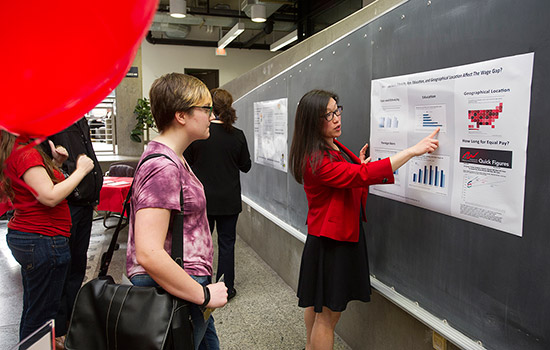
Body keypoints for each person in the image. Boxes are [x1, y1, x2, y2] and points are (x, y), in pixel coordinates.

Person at [288, 90, 440, 350]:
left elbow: (353, 175)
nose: (337, 118)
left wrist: (356, 166)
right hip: (332, 242)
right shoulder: (317, 159)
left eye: (337, 110)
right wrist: (413, 151)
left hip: (328, 236)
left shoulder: (327, 146)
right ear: (313, 121)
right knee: (328, 316)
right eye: (329, 114)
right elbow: (363, 174)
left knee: (318, 305)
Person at [126, 73, 228, 350]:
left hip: (185, 286)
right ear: (181, 115)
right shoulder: (163, 167)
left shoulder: (174, 158)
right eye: (205, 109)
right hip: (179, 290)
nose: (211, 115)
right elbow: (148, 252)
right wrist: (203, 295)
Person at [0, 131, 94, 342]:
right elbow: (49, 196)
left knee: (35, 310)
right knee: (42, 317)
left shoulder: (17, 150)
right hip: (42, 239)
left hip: (35, 237)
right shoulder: (25, 153)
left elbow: (36, 185)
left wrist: (55, 164)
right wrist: (81, 171)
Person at [184, 88, 251, 300]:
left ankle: (202, 287)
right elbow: (246, 166)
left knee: (203, 243)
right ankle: (226, 288)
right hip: (229, 200)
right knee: (227, 244)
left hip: (202, 200)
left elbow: (187, 163)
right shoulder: (237, 135)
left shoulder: (198, 135)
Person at [42, 117, 104, 339]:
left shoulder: (81, 120)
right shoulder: (53, 118)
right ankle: (58, 329)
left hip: (84, 202)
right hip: (67, 202)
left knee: (78, 264)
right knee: (63, 267)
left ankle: (71, 322)